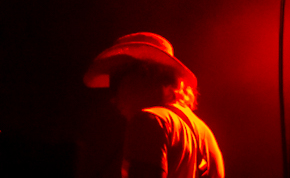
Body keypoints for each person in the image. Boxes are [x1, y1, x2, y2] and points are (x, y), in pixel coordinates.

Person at [84, 32, 225, 178]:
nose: (113, 98)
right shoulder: (208, 137)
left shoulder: (148, 120)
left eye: (115, 83)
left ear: (143, 75)